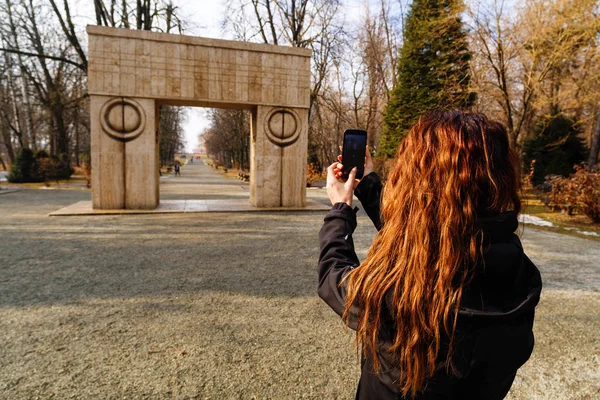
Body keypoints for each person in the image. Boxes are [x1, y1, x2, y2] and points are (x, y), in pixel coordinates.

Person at [318, 110, 542, 399]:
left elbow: (334, 278)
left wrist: (340, 209)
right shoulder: (519, 274)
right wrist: (370, 183)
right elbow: (431, 235)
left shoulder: (398, 293)